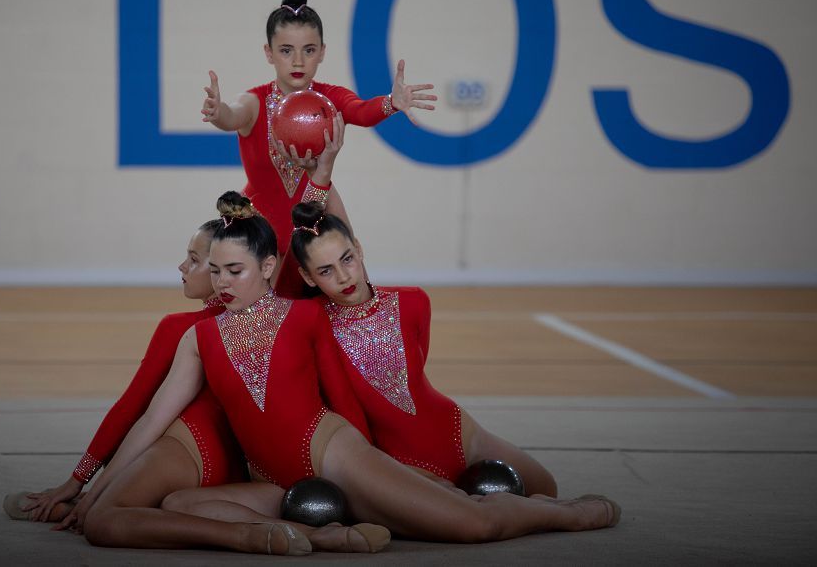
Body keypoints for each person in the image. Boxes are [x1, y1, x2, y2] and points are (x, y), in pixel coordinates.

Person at [97, 192, 620, 545]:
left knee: (471, 524)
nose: (224, 283)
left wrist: (390, 471)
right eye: (215, 272)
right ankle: (328, 535)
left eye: (235, 270)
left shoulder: (303, 313)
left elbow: (343, 396)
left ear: (269, 269)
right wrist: (96, 493)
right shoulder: (199, 337)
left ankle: (570, 514)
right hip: (274, 480)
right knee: (181, 503)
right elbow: (149, 420)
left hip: (336, 455)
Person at [289, 200, 558, 496]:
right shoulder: (313, 322)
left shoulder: (414, 302)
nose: (343, 277)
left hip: (457, 431)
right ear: (307, 277)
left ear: (359, 247)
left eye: (347, 259)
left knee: (546, 488)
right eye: (325, 271)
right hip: (395, 458)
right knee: (466, 513)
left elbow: (415, 376)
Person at [1, 220, 245, 526]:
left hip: (189, 452)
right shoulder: (267, 317)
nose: (182, 266)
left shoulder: (180, 327)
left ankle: (69, 505)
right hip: (237, 471)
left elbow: (131, 409)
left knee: (102, 517)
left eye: (195, 261)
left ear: (219, 270)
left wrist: (77, 479)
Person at [199, 0, 436, 295]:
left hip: (319, 206)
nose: (298, 61)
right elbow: (233, 116)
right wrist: (218, 113)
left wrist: (391, 102)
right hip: (262, 213)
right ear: (269, 53)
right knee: (269, 305)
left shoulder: (330, 97)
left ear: (322, 52)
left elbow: (360, 111)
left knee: (352, 286)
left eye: (308, 50)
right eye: (286, 50)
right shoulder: (255, 101)